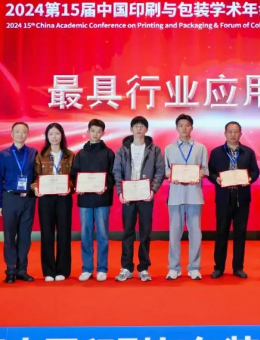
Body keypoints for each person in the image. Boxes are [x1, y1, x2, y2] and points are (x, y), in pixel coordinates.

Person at [112, 116, 165, 282]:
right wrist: (120, 192)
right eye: (136, 126)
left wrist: (153, 190)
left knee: (145, 232)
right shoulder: (122, 150)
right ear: (131, 129)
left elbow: (160, 171)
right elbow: (117, 172)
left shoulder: (154, 150)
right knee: (127, 232)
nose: (139, 129)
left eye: (142, 126)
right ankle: (126, 267)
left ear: (146, 130)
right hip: (128, 195)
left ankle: (143, 268)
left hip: (145, 195)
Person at [207, 121, 260, 279]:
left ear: (241, 134)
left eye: (236, 131)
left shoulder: (248, 152)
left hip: (242, 198)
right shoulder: (216, 152)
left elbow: (255, 172)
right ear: (225, 133)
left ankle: (238, 267)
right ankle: (219, 267)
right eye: (230, 131)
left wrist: (249, 179)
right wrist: (216, 179)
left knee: (240, 233)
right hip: (223, 197)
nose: (233, 134)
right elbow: (210, 171)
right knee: (221, 232)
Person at [164, 114, 209, 280]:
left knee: (195, 233)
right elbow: (166, 171)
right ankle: (174, 267)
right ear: (177, 128)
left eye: (187, 125)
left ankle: (194, 267)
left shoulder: (200, 148)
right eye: (181, 125)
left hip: (194, 195)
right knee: (174, 233)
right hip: (175, 196)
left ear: (192, 127)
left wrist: (195, 174)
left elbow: (205, 170)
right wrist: (173, 175)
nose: (184, 128)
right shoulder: (169, 149)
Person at [70, 119, 115, 282]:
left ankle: (102, 268)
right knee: (86, 234)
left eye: (99, 131)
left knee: (103, 235)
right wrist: (77, 186)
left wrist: (105, 186)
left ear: (103, 133)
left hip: (102, 198)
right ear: (88, 132)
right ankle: (87, 268)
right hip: (85, 199)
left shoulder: (109, 153)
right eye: (93, 130)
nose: (95, 134)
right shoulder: (80, 154)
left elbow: (113, 175)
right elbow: (74, 175)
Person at [0, 122, 38, 284]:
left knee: (25, 236)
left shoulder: (34, 153)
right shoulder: (3, 154)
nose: (21, 134)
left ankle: (22, 270)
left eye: (24, 132)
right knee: (10, 236)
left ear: (28, 134)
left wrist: (36, 189)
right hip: (10, 198)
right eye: (17, 131)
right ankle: (11, 270)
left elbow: (37, 177)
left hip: (28, 199)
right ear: (11, 134)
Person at [31, 123, 75, 282]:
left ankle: (62, 269)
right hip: (46, 199)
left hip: (64, 198)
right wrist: (36, 188)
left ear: (62, 135)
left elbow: (75, 178)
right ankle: (48, 270)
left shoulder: (70, 155)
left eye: (57, 133)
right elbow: (34, 177)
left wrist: (69, 187)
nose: (54, 137)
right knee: (47, 234)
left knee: (64, 233)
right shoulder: (40, 155)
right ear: (47, 136)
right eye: (51, 134)